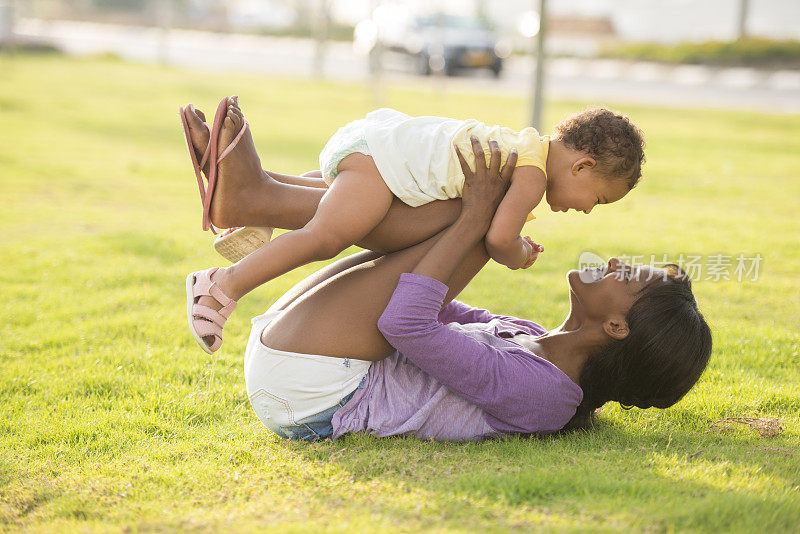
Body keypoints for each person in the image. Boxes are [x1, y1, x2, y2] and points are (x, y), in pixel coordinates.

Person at [204, 135, 712, 441]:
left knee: (474, 220)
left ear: (617, 326)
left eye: (629, 276)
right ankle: (257, 193)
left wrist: (478, 224)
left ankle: (257, 197)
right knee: (456, 219)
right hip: (307, 361)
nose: (618, 262)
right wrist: (471, 220)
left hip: (317, 393)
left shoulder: (549, 395)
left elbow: (405, 321)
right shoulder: (530, 336)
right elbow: (431, 295)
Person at [182, 96, 645, 353]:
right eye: (598, 200)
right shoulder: (531, 173)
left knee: (346, 214)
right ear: (582, 166)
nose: (587, 210)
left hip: (379, 150)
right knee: (328, 235)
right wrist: (520, 252)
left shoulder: (524, 149)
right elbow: (498, 237)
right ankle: (221, 286)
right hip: (379, 164)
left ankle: (245, 193)